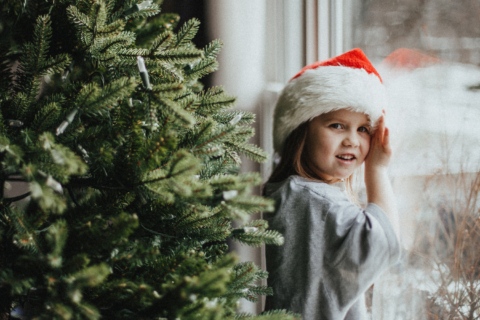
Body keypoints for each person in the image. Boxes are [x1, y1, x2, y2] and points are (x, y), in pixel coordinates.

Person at [263, 48, 401, 320]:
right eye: (337, 125)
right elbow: (381, 241)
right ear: (301, 131)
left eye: (363, 129)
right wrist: (377, 168)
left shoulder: (292, 192)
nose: (352, 140)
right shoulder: (316, 200)